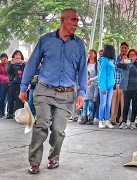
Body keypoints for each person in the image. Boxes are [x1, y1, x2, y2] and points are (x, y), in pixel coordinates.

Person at [18, 8, 87, 174]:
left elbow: (83, 70)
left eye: (77, 20)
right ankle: (34, 162)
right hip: (44, 90)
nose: (76, 24)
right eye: (73, 20)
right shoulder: (46, 40)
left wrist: (82, 93)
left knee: (57, 129)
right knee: (41, 125)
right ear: (62, 20)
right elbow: (32, 64)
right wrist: (23, 87)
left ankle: (54, 158)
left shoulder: (78, 44)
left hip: (67, 94)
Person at [117, 49, 137, 129]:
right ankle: (124, 122)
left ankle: (132, 122)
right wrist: (123, 61)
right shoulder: (127, 62)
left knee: (135, 105)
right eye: (130, 55)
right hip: (127, 87)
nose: (132, 56)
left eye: (134, 55)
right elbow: (118, 65)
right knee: (126, 105)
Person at [98, 45, 116, 129]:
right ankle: (100, 121)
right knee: (103, 104)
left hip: (110, 86)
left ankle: (106, 120)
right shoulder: (104, 61)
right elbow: (102, 76)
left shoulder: (110, 61)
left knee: (108, 104)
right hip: (104, 87)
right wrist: (103, 88)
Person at [110, 42, 128, 125]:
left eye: (125, 48)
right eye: (122, 47)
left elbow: (127, 69)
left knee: (123, 102)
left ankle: (122, 119)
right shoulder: (116, 57)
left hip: (124, 83)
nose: (124, 49)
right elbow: (115, 67)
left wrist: (123, 63)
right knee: (114, 101)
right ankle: (113, 119)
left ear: (127, 49)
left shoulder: (128, 59)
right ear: (120, 48)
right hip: (115, 82)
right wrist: (122, 63)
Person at [80, 49, 98, 125]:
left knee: (91, 105)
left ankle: (91, 118)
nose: (90, 54)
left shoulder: (97, 65)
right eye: (88, 53)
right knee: (84, 105)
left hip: (93, 86)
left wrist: (91, 79)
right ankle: (84, 118)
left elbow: (99, 75)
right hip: (85, 86)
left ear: (95, 55)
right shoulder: (85, 64)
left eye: (91, 53)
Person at [6, 51, 26, 119]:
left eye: (19, 55)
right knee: (11, 99)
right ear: (14, 56)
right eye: (16, 55)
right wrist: (12, 64)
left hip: (20, 84)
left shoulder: (23, 64)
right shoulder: (10, 63)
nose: (18, 56)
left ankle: (18, 114)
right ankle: (9, 113)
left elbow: (26, 72)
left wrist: (24, 63)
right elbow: (8, 71)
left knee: (19, 100)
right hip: (12, 83)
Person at [0, 53, 9, 118]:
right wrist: (6, 78)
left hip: (9, 84)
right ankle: (1, 112)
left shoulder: (9, 65)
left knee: (9, 98)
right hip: (2, 84)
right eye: (3, 58)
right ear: (1, 59)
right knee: (2, 98)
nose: (4, 59)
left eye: (6, 58)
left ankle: (9, 112)